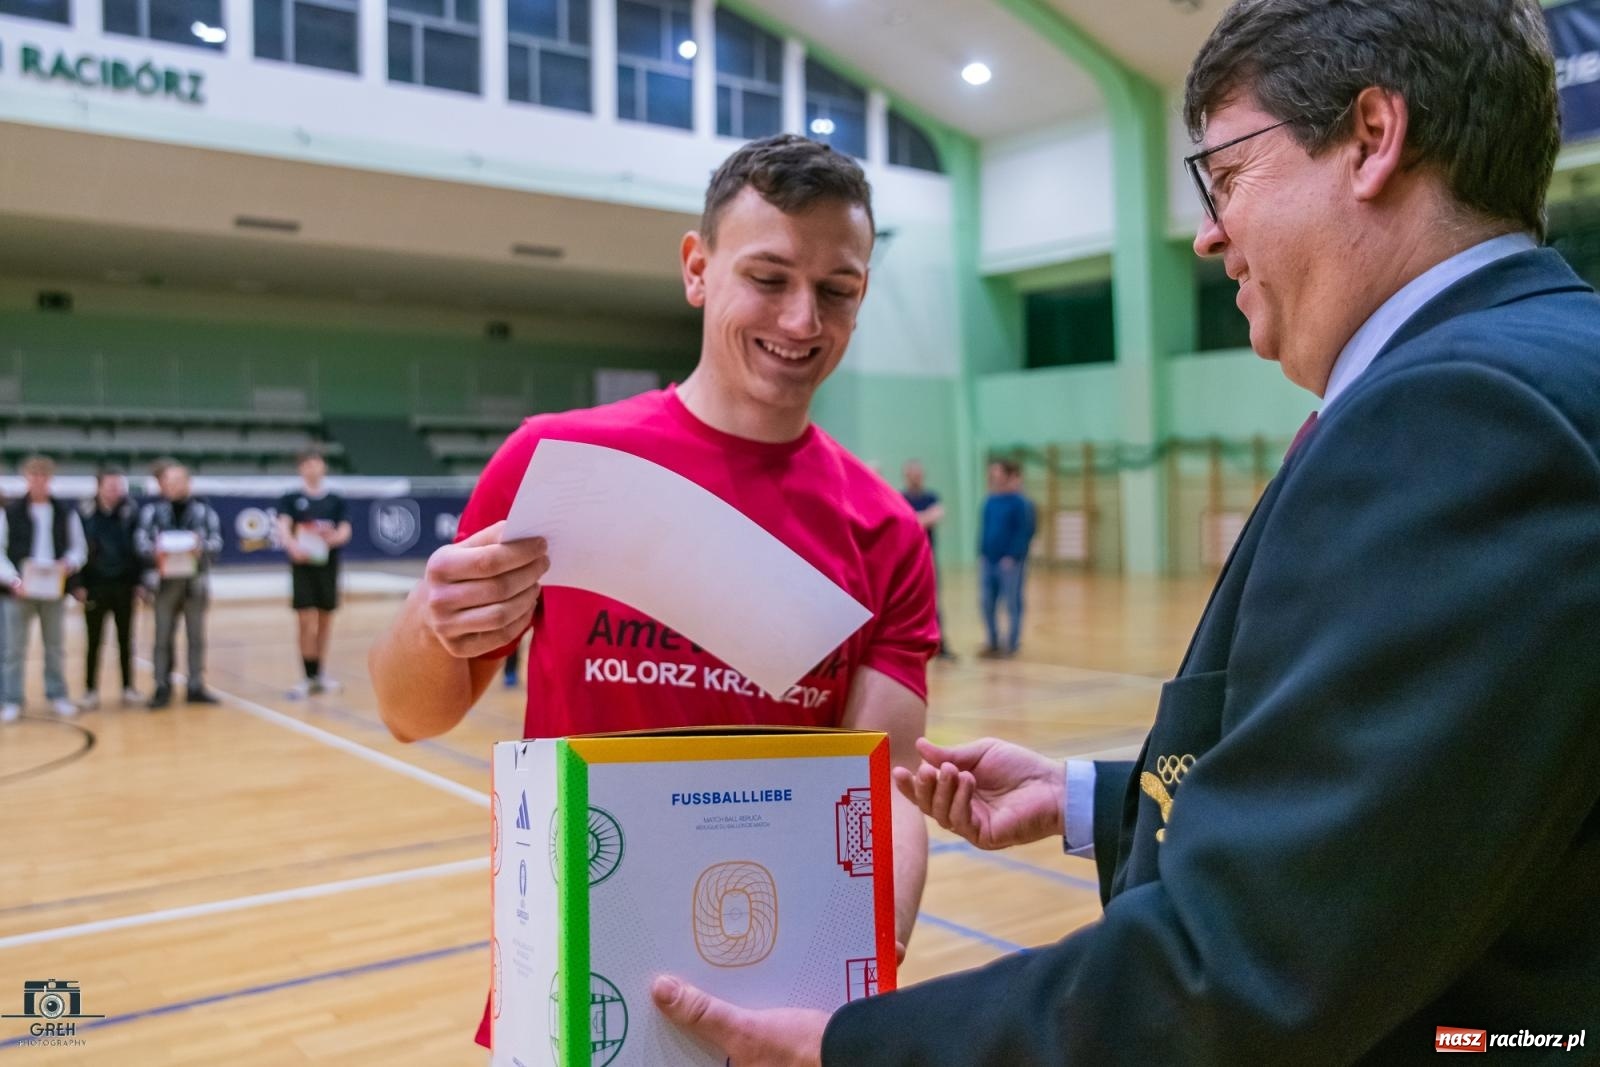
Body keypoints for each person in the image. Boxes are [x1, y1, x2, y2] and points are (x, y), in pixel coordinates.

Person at [651, 0, 1600, 1061]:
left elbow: (1254, 956)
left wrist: (856, 1045)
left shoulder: (1462, 412)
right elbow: (1417, 818)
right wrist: (1092, 797)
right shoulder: (1540, 366)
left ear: (1372, 139)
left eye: (1228, 174)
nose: (1208, 229)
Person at [368, 134, 939, 1052]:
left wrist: (867, 964)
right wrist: (432, 623)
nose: (802, 321)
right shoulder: (557, 466)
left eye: (837, 290)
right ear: (696, 269)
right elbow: (408, 714)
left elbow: (888, 786)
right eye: (769, 277)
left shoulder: (886, 530)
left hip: (777, 995)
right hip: (574, 985)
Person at [0, 454, 87, 720]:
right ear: (26, 478)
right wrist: (14, 580)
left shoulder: (65, 512)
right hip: (19, 590)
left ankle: (57, 694)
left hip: (53, 589)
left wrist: (67, 565)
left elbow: (78, 549)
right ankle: (11, 699)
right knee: (13, 648)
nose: (38, 480)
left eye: (43, 476)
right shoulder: (10, 512)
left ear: (50, 479)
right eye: (33, 475)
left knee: (55, 646)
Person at [137, 460, 223, 709]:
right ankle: (161, 685)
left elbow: (217, 544)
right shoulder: (152, 512)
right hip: (163, 583)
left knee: (196, 636)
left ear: (188, 483)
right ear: (161, 484)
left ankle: (195, 684)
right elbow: (140, 543)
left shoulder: (205, 512)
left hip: (194, 583)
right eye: (168, 481)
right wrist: (157, 550)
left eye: (178, 481)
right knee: (162, 636)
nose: (173, 486)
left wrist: (200, 548)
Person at [276, 447, 352, 698]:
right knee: (304, 619)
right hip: (303, 567)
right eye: (307, 463)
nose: (312, 468)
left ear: (323, 466)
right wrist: (292, 546)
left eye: (316, 462)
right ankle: (306, 675)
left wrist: (332, 538)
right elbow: (283, 528)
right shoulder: (290, 498)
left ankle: (319, 673)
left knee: (324, 620)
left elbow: (345, 530)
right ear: (301, 469)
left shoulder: (335, 500)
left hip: (327, 567)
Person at [73, 467, 144, 710]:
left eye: (118, 485)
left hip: (124, 586)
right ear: (99, 486)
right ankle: (90, 690)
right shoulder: (84, 513)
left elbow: (138, 550)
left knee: (126, 639)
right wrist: (78, 585)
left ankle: (128, 688)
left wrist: (139, 582)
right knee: (94, 641)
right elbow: (77, 549)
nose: (115, 490)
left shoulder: (131, 512)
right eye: (110, 485)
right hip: (95, 586)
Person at [976, 458, 1035, 659]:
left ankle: (1012, 643)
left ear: (1008, 475)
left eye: (998, 472)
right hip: (988, 560)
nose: (994, 476)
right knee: (986, 602)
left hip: (1010, 563)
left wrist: (1013, 555)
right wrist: (981, 553)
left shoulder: (1020, 502)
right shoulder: (990, 501)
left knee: (1012, 602)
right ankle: (992, 642)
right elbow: (984, 530)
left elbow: (1024, 531)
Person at [900, 459, 952, 661]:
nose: (915, 477)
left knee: (933, 601)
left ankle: (939, 644)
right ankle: (910, 644)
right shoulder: (899, 497)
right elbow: (908, 521)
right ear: (906, 476)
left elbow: (936, 515)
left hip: (928, 557)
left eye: (918, 473)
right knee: (905, 603)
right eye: (912, 474)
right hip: (906, 560)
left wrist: (914, 518)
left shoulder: (931, 496)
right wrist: (921, 518)